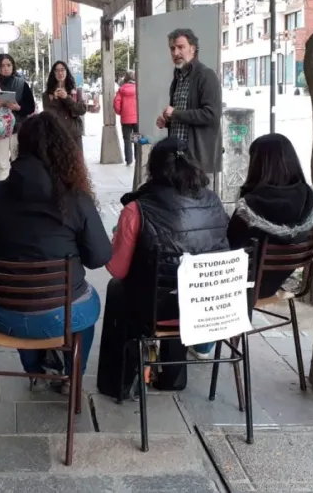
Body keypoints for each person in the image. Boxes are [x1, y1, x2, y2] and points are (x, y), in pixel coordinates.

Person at [0, 111, 111, 391]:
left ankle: (35, 371)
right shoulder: (75, 199)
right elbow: (99, 257)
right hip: (62, 317)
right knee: (88, 299)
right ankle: (72, 376)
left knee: (22, 293)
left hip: (2, 313)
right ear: (64, 151)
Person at [96, 138, 229, 399]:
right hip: (207, 304)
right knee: (180, 284)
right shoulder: (213, 201)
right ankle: (173, 376)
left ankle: (119, 381)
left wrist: (117, 239)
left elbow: (117, 269)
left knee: (118, 288)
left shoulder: (137, 208)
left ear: (152, 169)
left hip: (157, 309)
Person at [226, 133, 313, 302]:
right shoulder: (309, 198)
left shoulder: (250, 206)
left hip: (244, 286)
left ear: (258, 165)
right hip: (278, 281)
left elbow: (230, 248)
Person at [156, 28, 223, 182]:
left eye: (181, 47)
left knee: (198, 197)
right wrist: (168, 121)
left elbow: (212, 115)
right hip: (177, 158)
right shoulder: (178, 77)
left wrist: (175, 113)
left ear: (192, 49)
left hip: (198, 160)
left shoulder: (206, 76)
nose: (175, 53)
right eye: (172, 48)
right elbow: (184, 118)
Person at [0, 54, 36, 181]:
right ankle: (3, 192)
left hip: (18, 129)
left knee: (19, 164)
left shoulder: (22, 84)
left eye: (8, 65)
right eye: (2, 66)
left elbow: (30, 107)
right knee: (2, 166)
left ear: (13, 66)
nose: (5, 68)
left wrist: (17, 107)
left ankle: (19, 191)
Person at [42, 61, 88, 150]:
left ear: (67, 72)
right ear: (53, 73)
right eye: (57, 70)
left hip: (74, 135)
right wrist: (55, 99)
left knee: (76, 158)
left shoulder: (75, 91)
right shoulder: (47, 94)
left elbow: (82, 110)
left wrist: (67, 98)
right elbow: (47, 115)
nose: (60, 73)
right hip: (56, 136)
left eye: (62, 70)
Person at [113, 70, 139, 166]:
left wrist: (121, 112)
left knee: (127, 139)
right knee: (136, 139)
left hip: (125, 119)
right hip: (137, 119)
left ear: (126, 78)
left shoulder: (121, 89)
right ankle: (137, 158)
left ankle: (129, 160)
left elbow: (116, 103)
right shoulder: (138, 89)